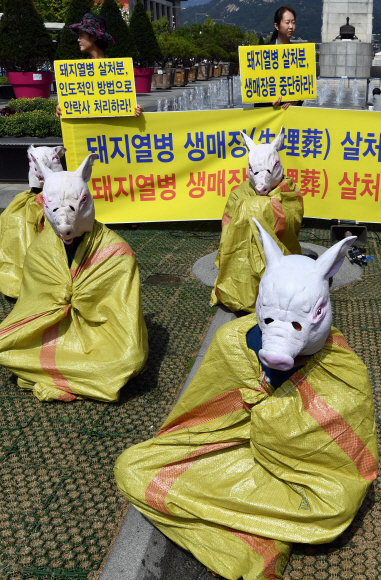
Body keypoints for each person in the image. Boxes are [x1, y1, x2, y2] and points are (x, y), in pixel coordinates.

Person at [56, 13, 142, 118]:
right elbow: (76, 100)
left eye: (81, 35)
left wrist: (135, 109)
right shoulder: (77, 71)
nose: (78, 40)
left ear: (94, 37)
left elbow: (122, 100)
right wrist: (62, 108)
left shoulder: (117, 69)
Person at [257, 6, 303, 110]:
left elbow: (302, 86)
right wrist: (268, 100)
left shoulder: (298, 54)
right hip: (266, 112)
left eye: (293, 22)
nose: (291, 26)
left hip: (289, 113)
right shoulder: (263, 52)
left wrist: (296, 100)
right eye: (287, 22)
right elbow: (256, 86)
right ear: (276, 26)